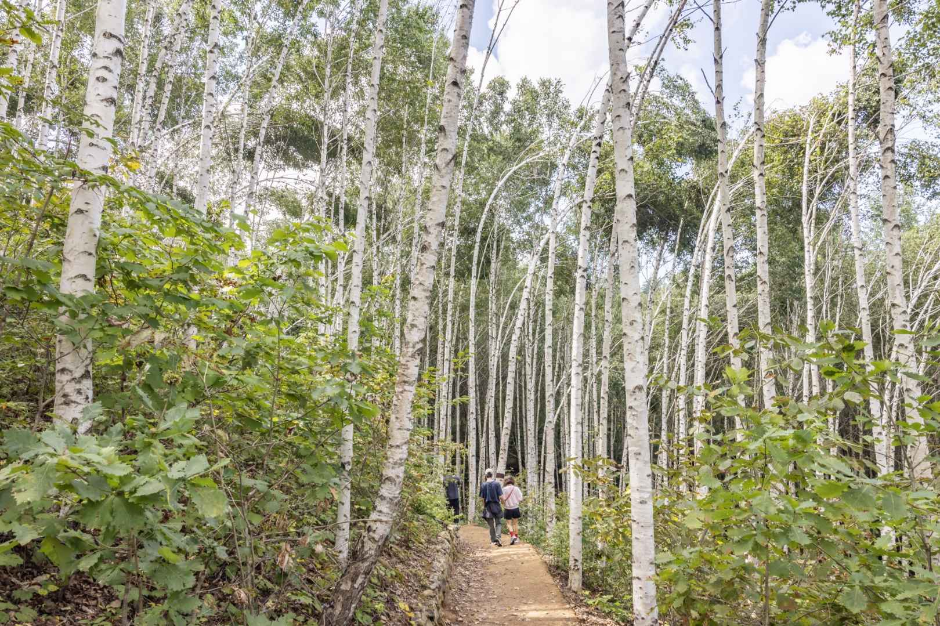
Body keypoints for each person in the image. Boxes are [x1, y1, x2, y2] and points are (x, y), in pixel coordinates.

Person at [479, 469, 503, 547]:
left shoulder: (483, 485)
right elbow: (501, 496)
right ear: (492, 475)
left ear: (486, 475)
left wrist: (484, 506)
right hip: (496, 505)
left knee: (491, 525)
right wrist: (503, 503)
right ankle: (498, 538)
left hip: (488, 506)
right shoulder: (497, 484)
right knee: (498, 523)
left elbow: (482, 498)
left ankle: (493, 540)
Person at [500, 476, 523, 545]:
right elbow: (520, 499)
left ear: (505, 482)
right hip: (515, 508)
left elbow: (502, 499)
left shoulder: (503, 489)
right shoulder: (516, 488)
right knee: (515, 523)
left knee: (509, 524)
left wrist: (504, 503)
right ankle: (516, 538)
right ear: (512, 481)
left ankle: (512, 535)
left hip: (507, 508)